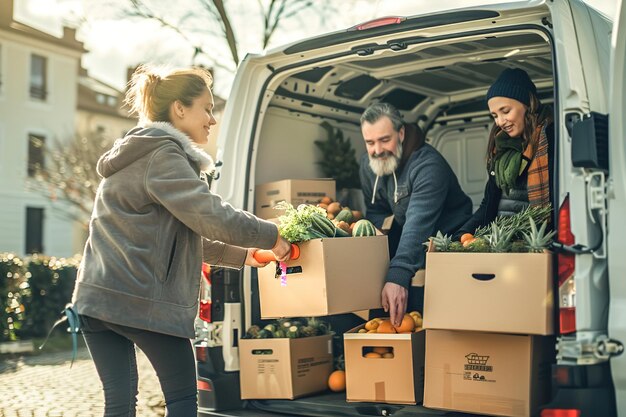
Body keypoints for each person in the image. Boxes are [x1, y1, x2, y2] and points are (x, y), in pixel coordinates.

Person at [71, 65, 292, 416]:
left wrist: (247, 255)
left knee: (119, 405)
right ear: (179, 108)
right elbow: (211, 216)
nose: (212, 119)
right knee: (183, 402)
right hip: (142, 301)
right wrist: (273, 236)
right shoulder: (163, 155)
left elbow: (177, 237)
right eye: (206, 108)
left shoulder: (138, 154)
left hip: (97, 300)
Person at [359, 102, 473, 327]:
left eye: (384, 140)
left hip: (449, 244)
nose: (377, 150)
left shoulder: (428, 165)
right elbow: (376, 212)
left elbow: (417, 224)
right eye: (370, 143)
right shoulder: (368, 164)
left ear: (400, 133)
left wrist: (398, 275)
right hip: (412, 241)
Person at [455, 68, 553, 238]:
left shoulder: (550, 138)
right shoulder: (499, 147)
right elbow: (489, 204)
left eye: (505, 111)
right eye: (494, 115)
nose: (500, 122)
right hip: (502, 242)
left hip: (537, 242)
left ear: (527, 104)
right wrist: (463, 233)